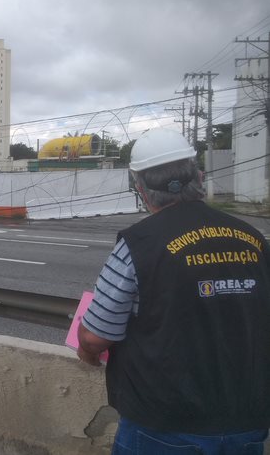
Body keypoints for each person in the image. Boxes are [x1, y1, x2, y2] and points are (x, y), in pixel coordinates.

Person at [77, 127, 270, 454]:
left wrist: (87, 351)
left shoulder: (137, 244)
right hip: (247, 420)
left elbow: (96, 336)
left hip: (164, 424)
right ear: (199, 177)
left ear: (140, 188)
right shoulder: (253, 238)